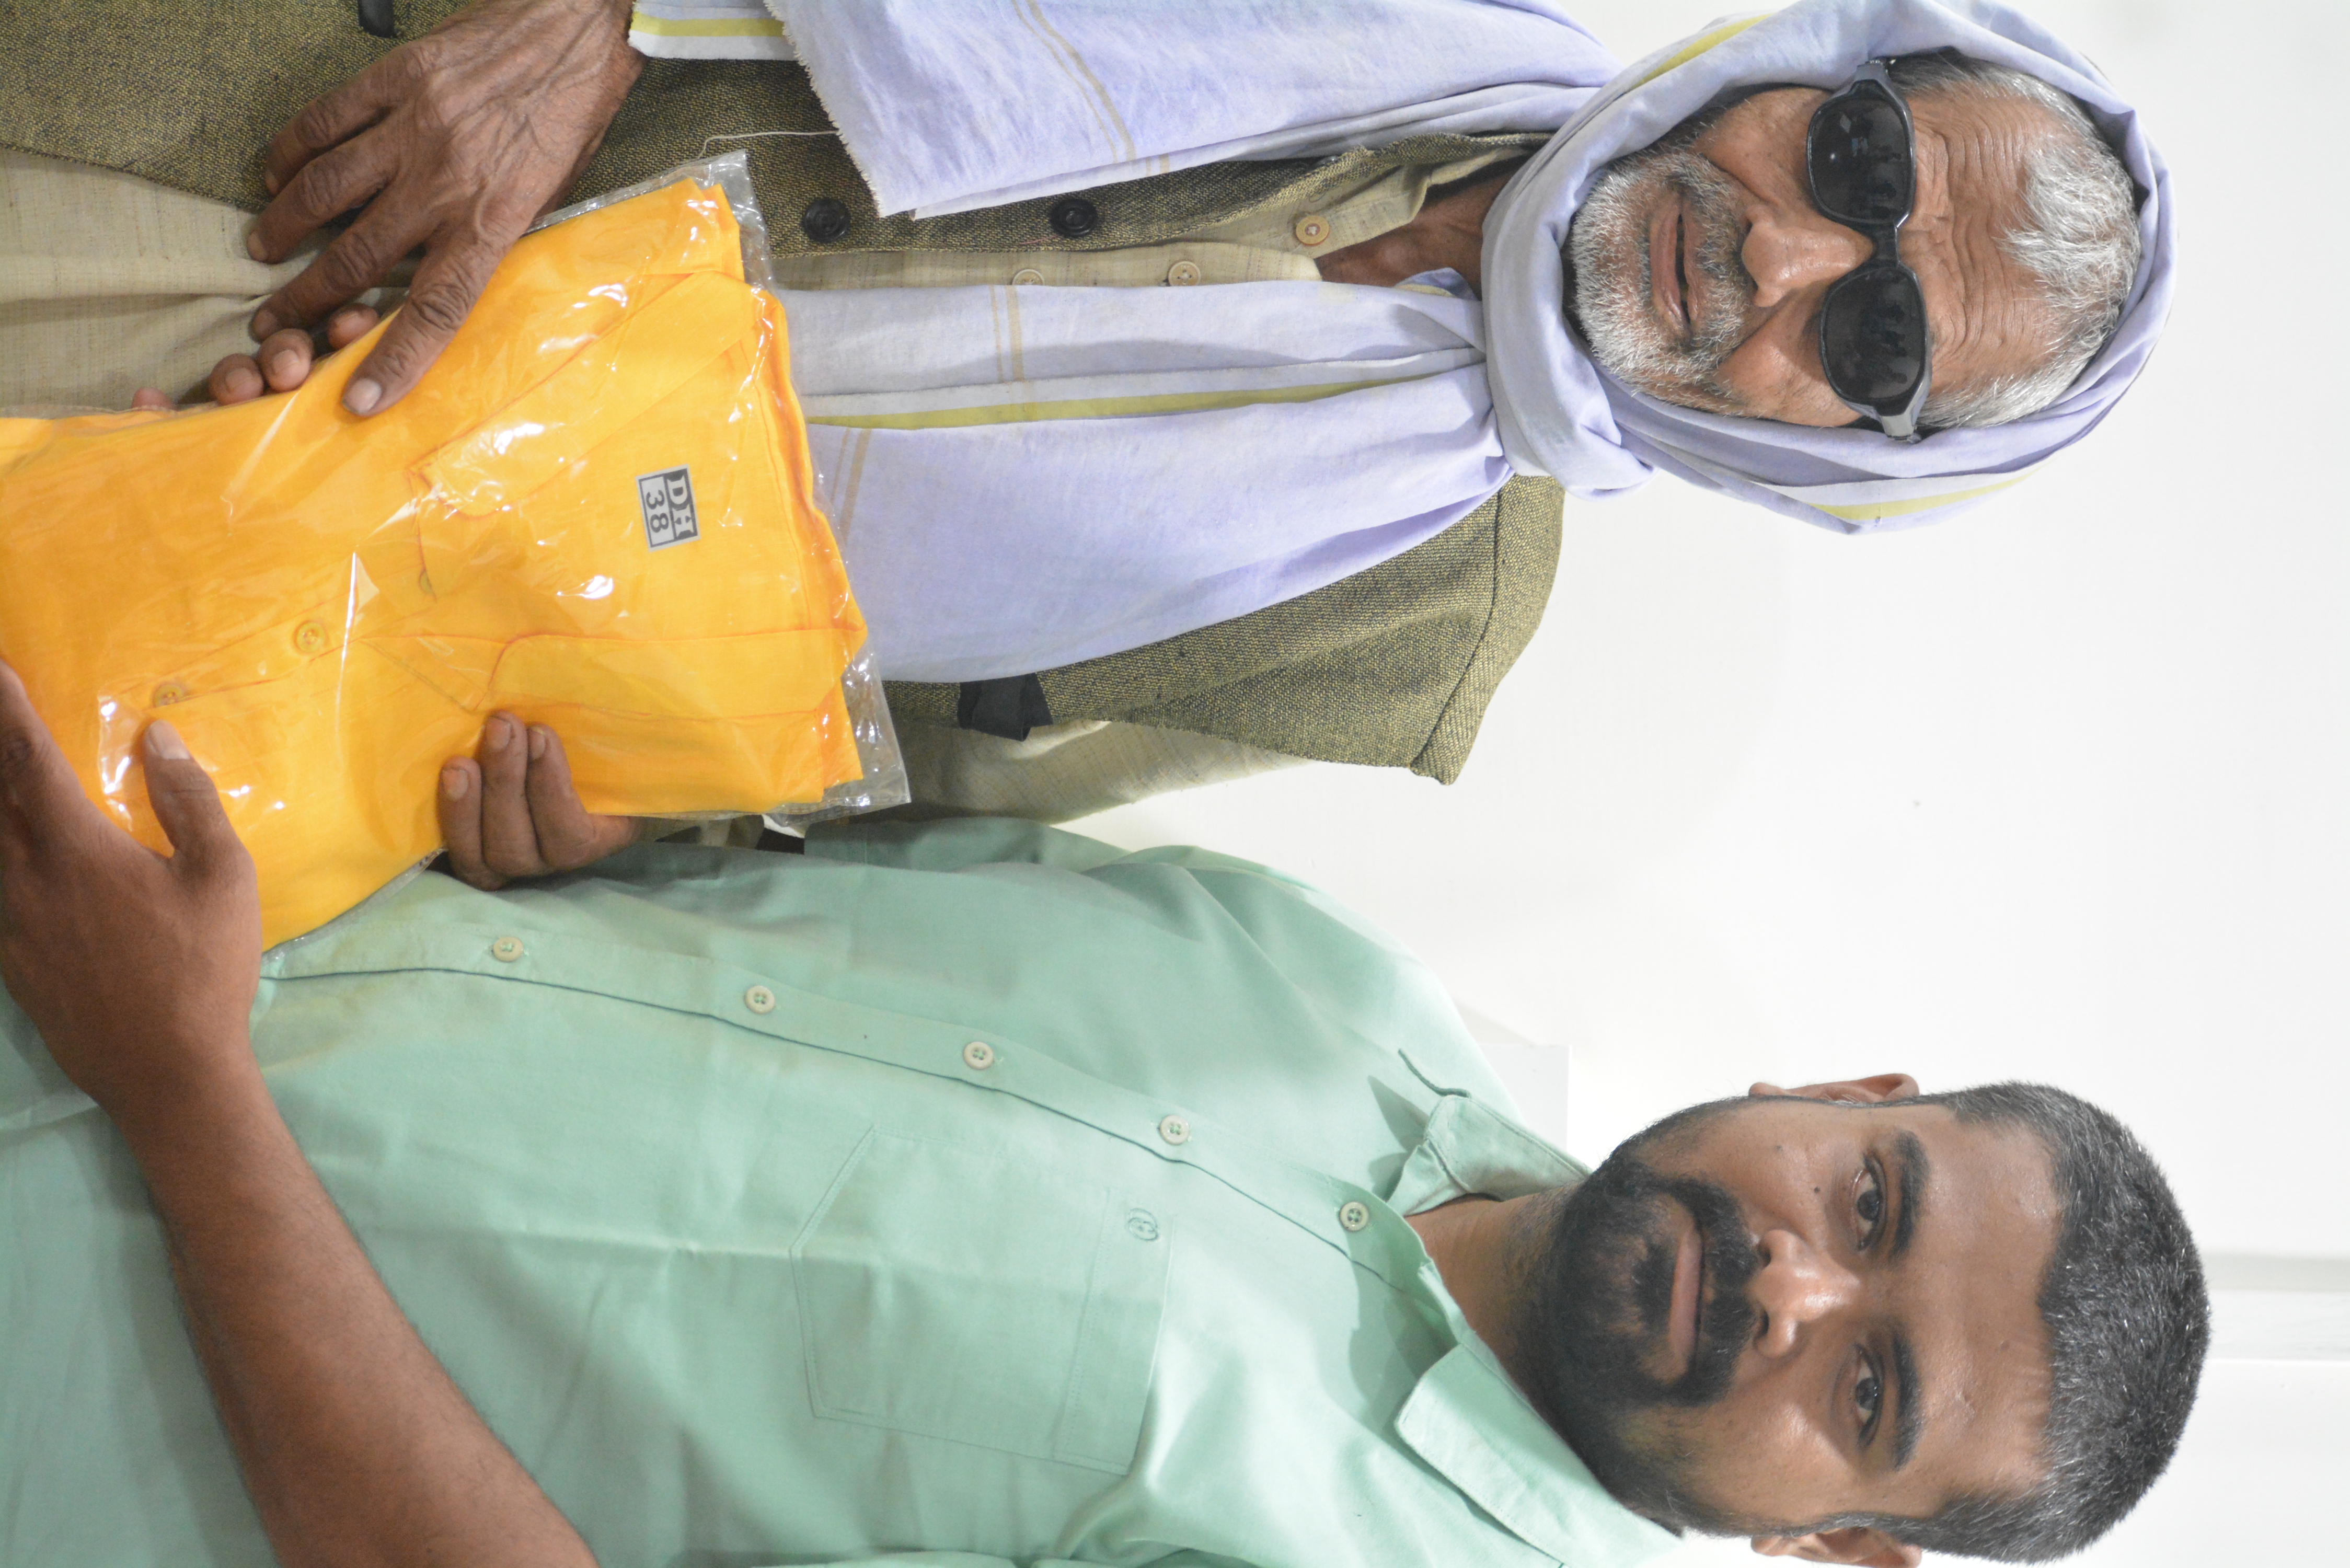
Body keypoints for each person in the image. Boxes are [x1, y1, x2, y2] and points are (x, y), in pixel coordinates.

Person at [0, 662, 2209, 1567]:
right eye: (1871, 1200)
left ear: (1838, 1550)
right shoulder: (1325, 982)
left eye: (1865, 1388)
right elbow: (725, 914)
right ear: (1845, 1093)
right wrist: (601, 846)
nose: (1792, 1286)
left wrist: (183, 1092)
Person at [0, 0, 2172, 827]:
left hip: (281, 596)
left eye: (1872, 345)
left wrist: (592, 820)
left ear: (1853, 455)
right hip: (239, 126)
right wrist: (608, 10)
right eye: (1859, 166)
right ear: (1822, 63)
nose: (1783, 260)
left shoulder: (1414, 635)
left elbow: (886, 802)